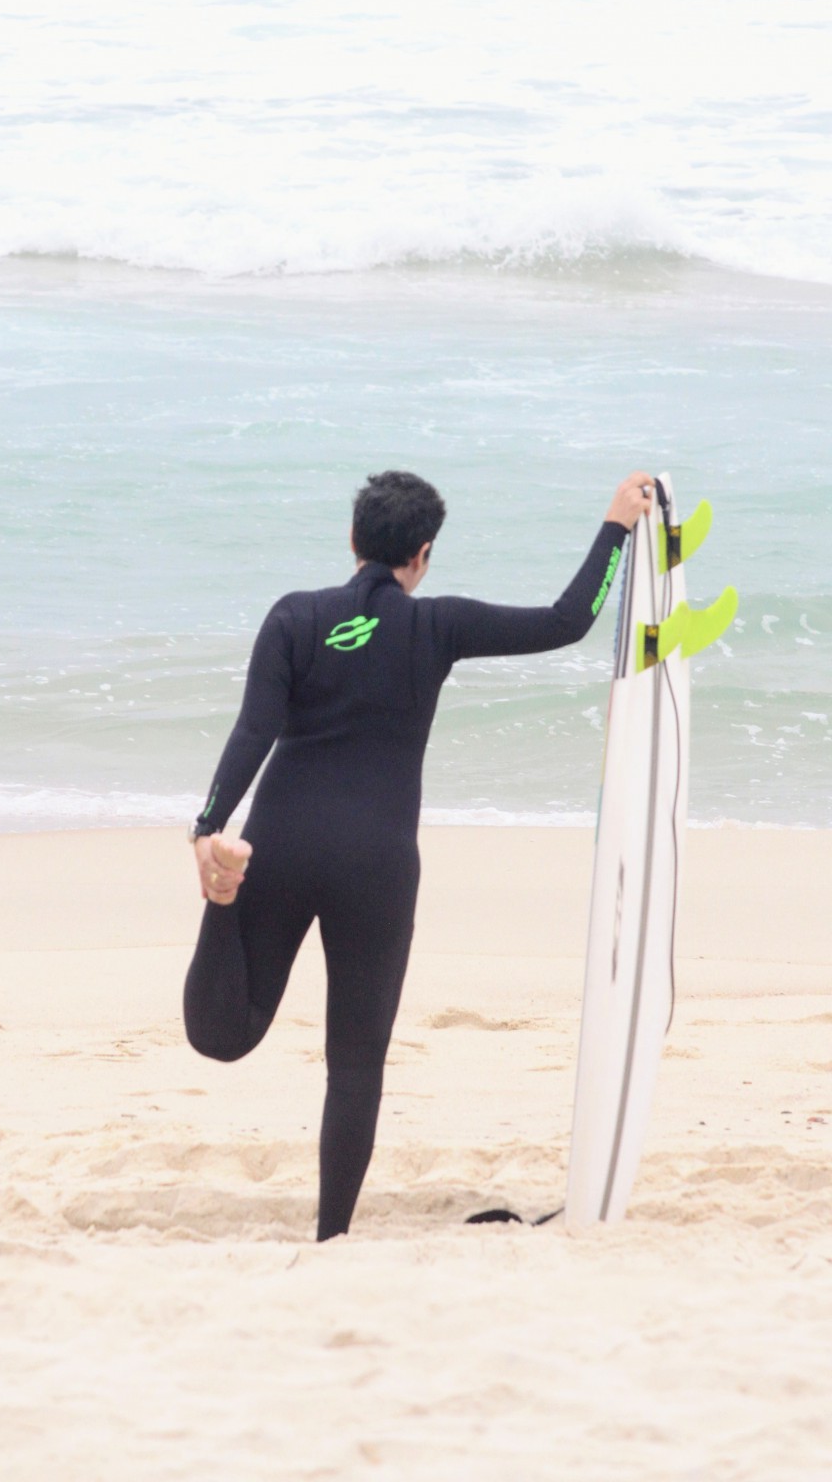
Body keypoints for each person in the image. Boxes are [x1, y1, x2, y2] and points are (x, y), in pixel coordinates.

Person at [182, 469, 653, 1241]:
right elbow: (569, 620)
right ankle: (331, 1236)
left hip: (283, 841)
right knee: (356, 1063)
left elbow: (252, 731)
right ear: (423, 555)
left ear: (352, 538)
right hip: (377, 862)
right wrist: (615, 528)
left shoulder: (293, 618)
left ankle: (221, 903)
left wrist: (208, 825)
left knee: (223, 1034)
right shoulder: (439, 626)